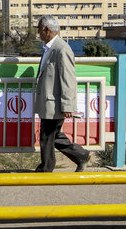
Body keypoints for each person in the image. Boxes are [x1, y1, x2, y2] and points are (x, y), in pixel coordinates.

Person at [34, 15, 91, 172]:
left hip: (55, 103)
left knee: (47, 135)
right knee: (54, 135)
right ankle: (81, 155)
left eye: (39, 29)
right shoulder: (49, 48)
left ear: (47, 29)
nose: (38, 33)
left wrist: (67, 104)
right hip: (49, 102)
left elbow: (68, 79)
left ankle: (46, 168)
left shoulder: (61, 49)